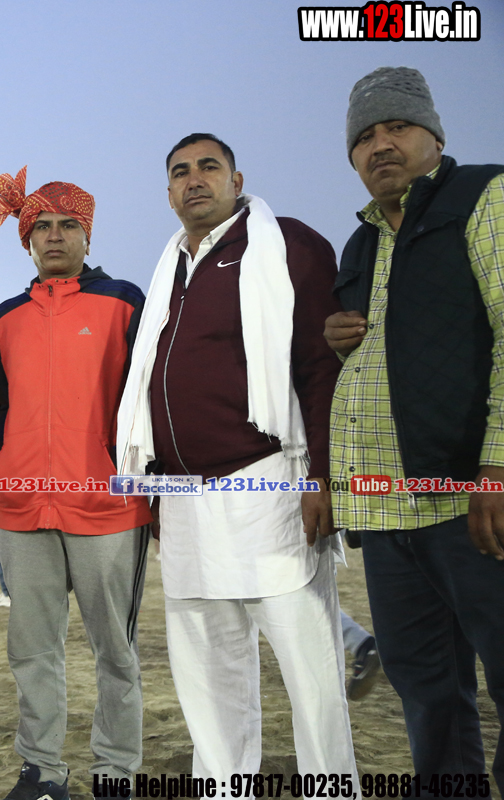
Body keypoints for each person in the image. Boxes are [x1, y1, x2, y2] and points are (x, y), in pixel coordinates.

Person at [115, 133, 356, 780]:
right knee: (207, 675)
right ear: (169, 192)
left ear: (236, 179)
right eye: (180, 172)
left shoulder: (287, 246)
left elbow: (320, 366)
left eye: (208, 167)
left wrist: (323, 476)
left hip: (270, 485)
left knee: (309, 670)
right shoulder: (169, 267)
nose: (194, 179)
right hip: (184, 502)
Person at [324, 66, 504, 788]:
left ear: (435, 134)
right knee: (428, 695)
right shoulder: (361, 244)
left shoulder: (483, 197)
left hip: (469, 499)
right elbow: (396, 345)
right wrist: (339, 341)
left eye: (397, 127)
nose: (380, 146)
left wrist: (497, 467)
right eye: (364, 137)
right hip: (387, 510)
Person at [0, 167, 152, 800]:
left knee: (116, 651)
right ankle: (42, 771)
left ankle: (115, 773)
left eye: (67, 225)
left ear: (87, 234)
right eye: (42, 227)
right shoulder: (5, 317)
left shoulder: (125, 302)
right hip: (24, 509)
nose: (54, 236)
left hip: (108, 506)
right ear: (27, 240)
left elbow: (149, 396)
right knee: (31, 650)